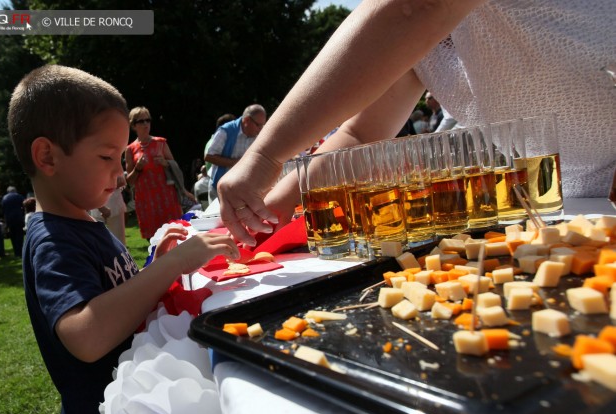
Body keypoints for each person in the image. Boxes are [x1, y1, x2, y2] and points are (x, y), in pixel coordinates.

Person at [217, 0, 616, 246]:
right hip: (570, 217)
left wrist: (266, 155)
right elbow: (359, 134)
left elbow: (413, 8)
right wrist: (272, 209)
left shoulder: (414, 12)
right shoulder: (419, 41)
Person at [7, 65, 239, 414]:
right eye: (106, 157)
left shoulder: (85, 223)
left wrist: (155, 266)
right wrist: (171, 266)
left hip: (132, 400)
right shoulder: (51, 240)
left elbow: (115, 296)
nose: (120, 174)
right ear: (47, 156)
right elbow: (87, 334)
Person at [124, 106, 185, 241]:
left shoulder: (160, 143)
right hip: (146, 199)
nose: (146, 124)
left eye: (148, 120)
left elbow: (175, 167)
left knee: (174, 232)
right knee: (153, 238)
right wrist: (138, 168)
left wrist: (165, 163)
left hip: (166, 196)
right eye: (141, 121)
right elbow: (130, 181)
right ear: (134, 125)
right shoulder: (130, 149)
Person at [204, 104, 266, 204]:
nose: (260, 129)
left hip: (244, 189)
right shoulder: (226, 131)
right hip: (220, 189)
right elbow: (209, 156)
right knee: (222, 219)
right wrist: (238, 163)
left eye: (263, 125)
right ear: (246, 120)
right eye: (258, 125)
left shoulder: (257, 135)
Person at [2, 186, 25, 257]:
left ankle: (16, 252)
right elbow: (24, 206)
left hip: (9, 219)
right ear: (15, 190)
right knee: (19, 235)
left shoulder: (4, 198)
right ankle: (21, 251)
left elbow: (3, 210)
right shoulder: (19, 196)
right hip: (18, 218)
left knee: (13, 235)